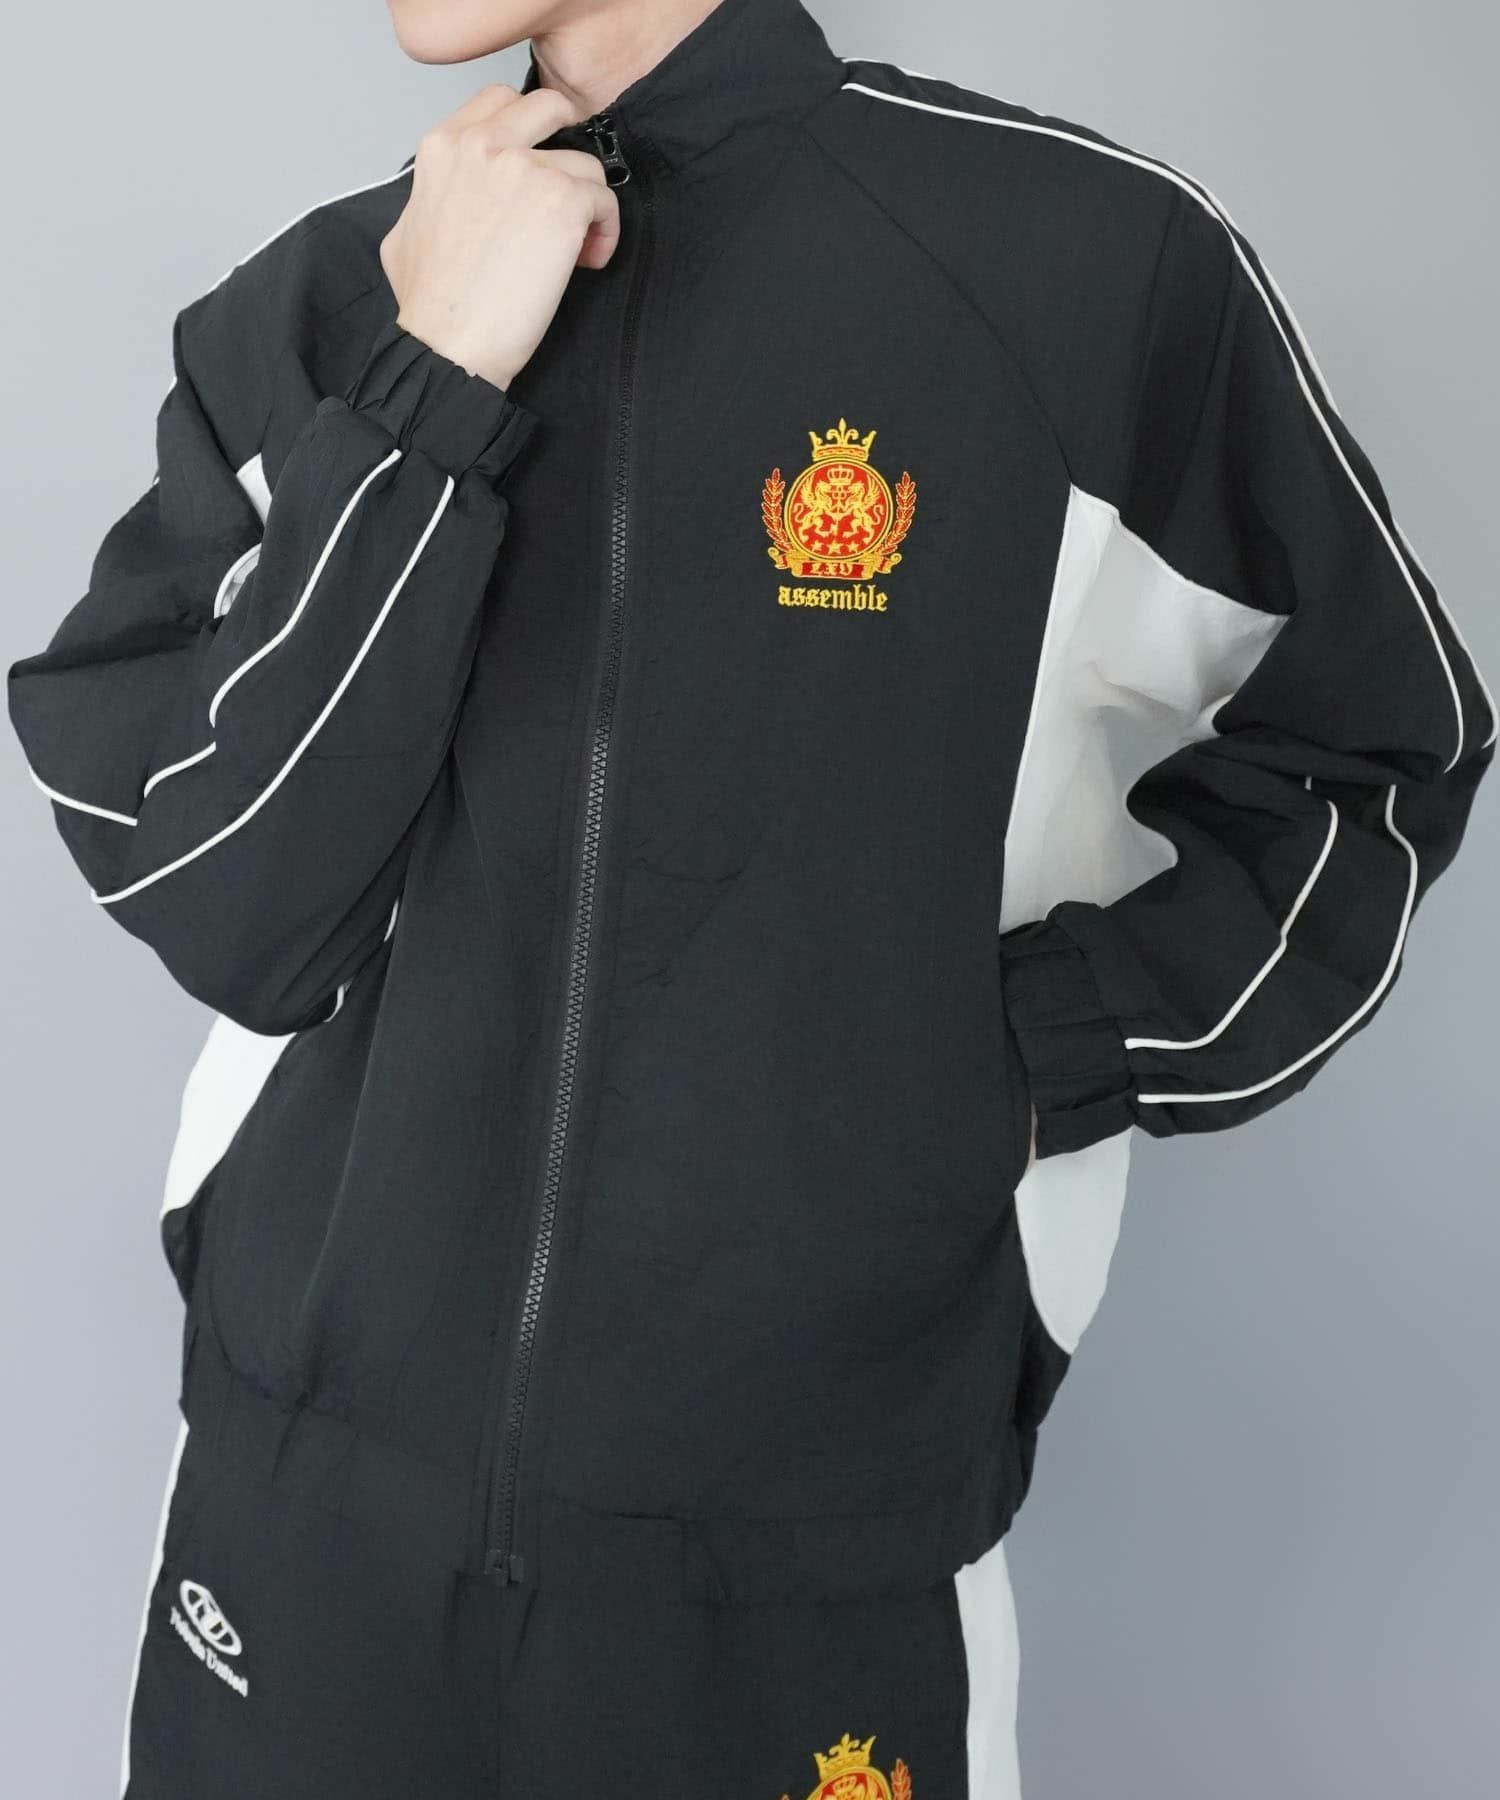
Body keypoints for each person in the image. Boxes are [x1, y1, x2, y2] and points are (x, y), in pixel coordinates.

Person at [8, 0, 1493, 1794]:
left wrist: (1021, 1053)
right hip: (300, 1531)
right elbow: (220, 892)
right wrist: (433, 378)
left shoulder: (1078, 266)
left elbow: (1376, 748)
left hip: (805, 1572)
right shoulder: (339, 295)